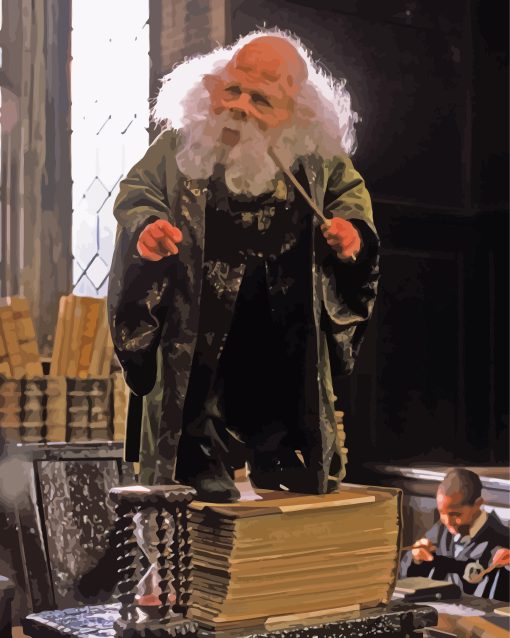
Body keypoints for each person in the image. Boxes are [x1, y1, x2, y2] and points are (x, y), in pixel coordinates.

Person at [107, 29, 379, 502]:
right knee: (201, 379)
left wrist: (351, 234)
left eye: (260, 99)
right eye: (232, 89)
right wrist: (148, 227)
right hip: (201, 296)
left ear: (296, 112)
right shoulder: (182, 143)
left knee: (280, 376)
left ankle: (278, 454)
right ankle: (197, 460)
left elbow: (349, 198)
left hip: (281, 294)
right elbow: (138, 191)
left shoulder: (315, 156)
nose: (239, 107)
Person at [400, 468, 510, 601]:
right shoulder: (441, 531)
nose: (448, 522)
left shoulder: (502, 540)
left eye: (455, 514)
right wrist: (415, 559)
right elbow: (405, 577)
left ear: (478, 504)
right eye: (442, 513)